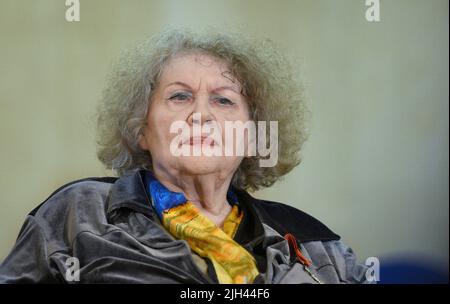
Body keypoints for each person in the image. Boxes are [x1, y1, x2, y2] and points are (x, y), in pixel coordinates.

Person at [0, 30, 369, 283]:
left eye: (223, 100)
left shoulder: (315, 243)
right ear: (141, 129)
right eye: (179, 96)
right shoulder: (81, 213)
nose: (201, 115)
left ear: (253, 135)